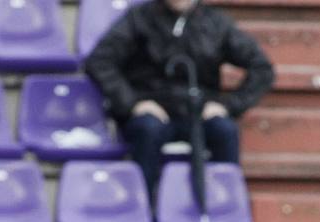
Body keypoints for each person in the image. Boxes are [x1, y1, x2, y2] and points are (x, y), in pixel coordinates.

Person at [84, 0, 274, 200]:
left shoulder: (216, 22)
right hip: (152, 111)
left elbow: (262, 69)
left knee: (225, 130)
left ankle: (226, 205)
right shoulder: (138, 18)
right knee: (147, 129)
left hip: (198, 112)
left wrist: (228, 105)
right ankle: (141, 208)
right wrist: (133, 103)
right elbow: (100, 61)